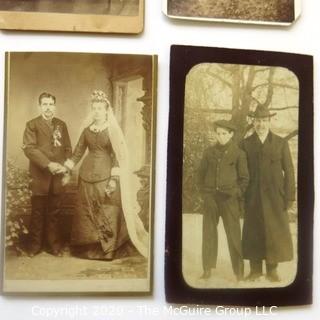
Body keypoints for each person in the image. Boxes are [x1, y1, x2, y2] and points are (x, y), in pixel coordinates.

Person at [64, 90, 148, 260]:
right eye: (94, 108)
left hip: (106, 176)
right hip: (86, 176)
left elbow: (118, 155)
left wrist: (114, 179)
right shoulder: (87, 130)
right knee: (86, 210)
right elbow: (78, 152)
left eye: (99, 108)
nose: (96, 111)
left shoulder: (112, 131)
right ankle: (87, 248)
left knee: (107, 210)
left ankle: (108, 249)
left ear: (106, 110)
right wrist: (67, 166)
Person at [241, 105, 295, 282]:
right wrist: (242, 195)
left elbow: (289, 171)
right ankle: (255, 270)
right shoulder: (246, 144)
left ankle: (272, 270)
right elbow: (241, 173)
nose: (261, 125)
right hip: (253, 197)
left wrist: (289, 197)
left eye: (264, 121)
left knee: (274, 233)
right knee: (254, 232)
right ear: (253, 122)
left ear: (270, 122)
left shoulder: (281, 143)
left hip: (275, 197)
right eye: (258, 121)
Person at [197, 120, 249, 281]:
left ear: (231, 134)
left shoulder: (239, 154)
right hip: (211, 198)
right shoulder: (209, 152)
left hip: (229, 200)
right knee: (208, 234)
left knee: (233, 235)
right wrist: (204, 194)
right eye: (218, 133)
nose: (220, 137)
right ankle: (207, 269)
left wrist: (236, 193)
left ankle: (239, 272)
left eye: (224, 134)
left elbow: (244, 179)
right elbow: (200, 175)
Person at [22, 92, 72, 257]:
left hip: (58, 176)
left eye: (51, 104)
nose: (48, 107)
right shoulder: (32, 125)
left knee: (54, 212)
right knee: (37, 212)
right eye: (45, 104)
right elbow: (29, 149)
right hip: (39, 176)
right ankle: (34, 246)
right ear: (39, 106)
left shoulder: (61, 125)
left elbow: (67, 149)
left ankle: (54, 246)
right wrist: (48, 164)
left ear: (54, 106)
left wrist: (66, 169)